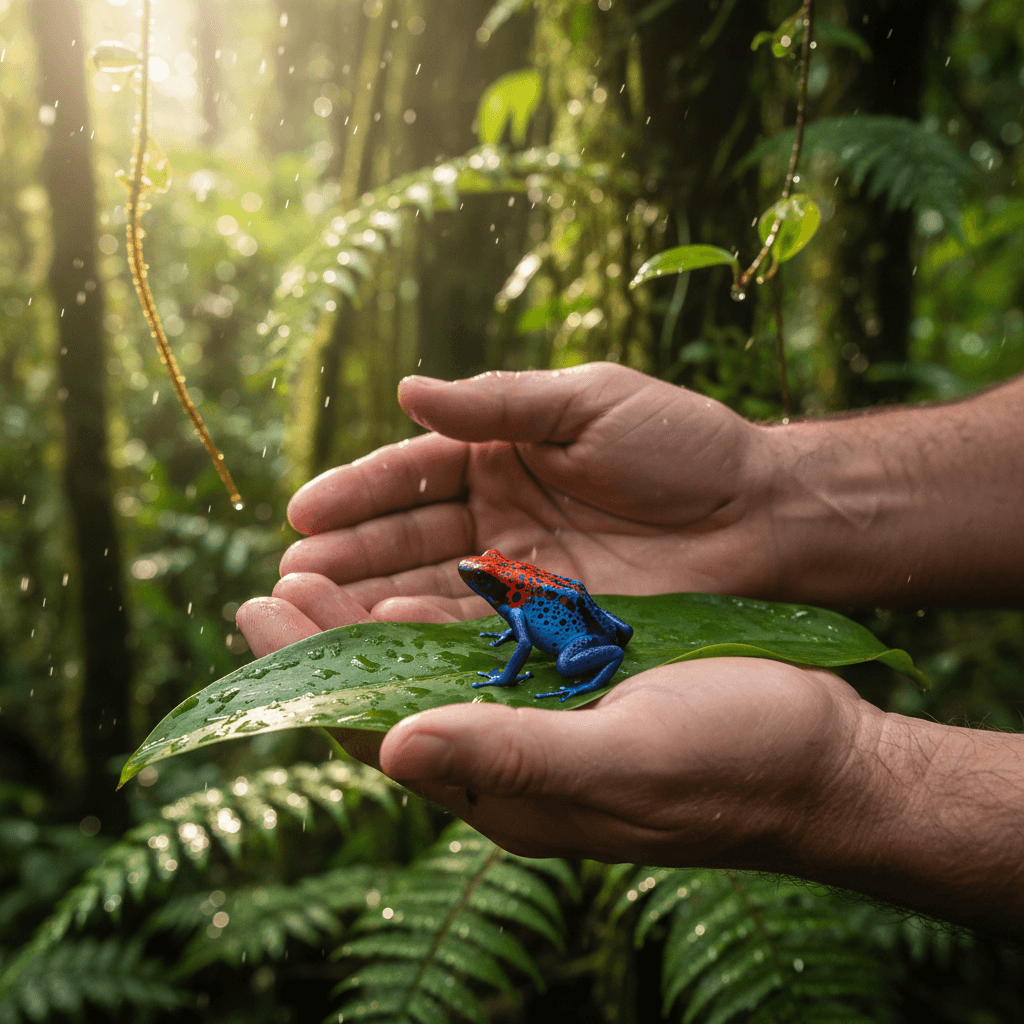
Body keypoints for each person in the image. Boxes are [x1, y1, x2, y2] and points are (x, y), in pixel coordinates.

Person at [235, 362, 1024, 933]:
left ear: (499, 586)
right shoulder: (518, 589)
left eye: (483, 578)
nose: (477, 581)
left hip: (578, 643)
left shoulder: (513, 604)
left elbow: (515, 653)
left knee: (562, 656)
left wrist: (847, 772)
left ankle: (579, 681)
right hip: (588, 619)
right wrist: (763, 488)